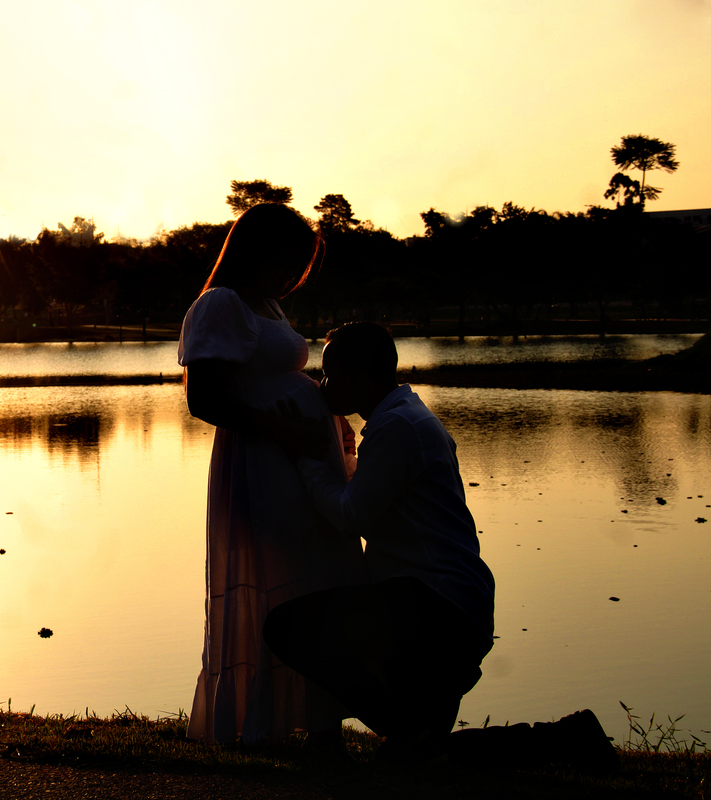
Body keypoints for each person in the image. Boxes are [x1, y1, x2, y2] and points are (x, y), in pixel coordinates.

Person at [264, 322, 616, 771]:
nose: (324, 385)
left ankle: (412, 732)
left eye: (331, 374)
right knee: (424, 757)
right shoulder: (405, 417)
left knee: (287, 628)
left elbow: (352, 516)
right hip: (454, 608)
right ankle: (571, 738)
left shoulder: (397, 427)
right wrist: (347, 458)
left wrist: (307, 458)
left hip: (433, 609)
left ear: (357, 376)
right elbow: (373, 497)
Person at [178, 203, 367, 744]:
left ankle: (321, 726)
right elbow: (204, 398)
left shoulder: (267, 305)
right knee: (284, 582)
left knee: (322, 577)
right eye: (284, 261)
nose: (290, 276)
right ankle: (264, 724)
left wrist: (327, 425)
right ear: (253, 252)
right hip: (264, 465)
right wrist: (282, 431)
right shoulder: (221, 303)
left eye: (298, 266)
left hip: (298, 460)